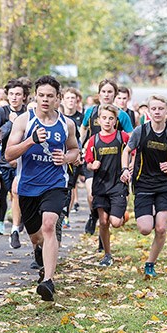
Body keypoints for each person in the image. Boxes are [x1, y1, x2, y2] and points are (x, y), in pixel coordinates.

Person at [4, 76, 79, 301]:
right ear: (35, 96)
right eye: (41, 95)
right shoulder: (24, 121)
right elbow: (8, 155)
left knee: (49, 226)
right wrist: (31, 141)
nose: (45, 100)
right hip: (28, 187)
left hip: (55, 184)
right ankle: (39, 251)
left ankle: (48, 280)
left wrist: (66, 158)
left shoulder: (67, 124)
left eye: (50, 96)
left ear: (58, 99)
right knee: (37, 236)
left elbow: (75, 150)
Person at [120, 95, 167, 279]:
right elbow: (126, 151)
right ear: (148, 112)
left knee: (161, 228)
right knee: (144, 228)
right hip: (142, 183)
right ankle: (148, 213)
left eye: (161, 109)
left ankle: (150, 263)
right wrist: (125, 169)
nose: (157, 112)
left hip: (165, 185)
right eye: (154, 109)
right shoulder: (140, 131)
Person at [80, 80, 133, 252]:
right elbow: (83, 129)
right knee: (90, 195)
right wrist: (82, 148)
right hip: (95, 160)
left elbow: (131, 140)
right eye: (104, 91)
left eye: (110, 91)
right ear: (99, 93)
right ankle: (94, 216)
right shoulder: (91, 111)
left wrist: (129, 164)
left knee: (113, 220)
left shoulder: (122, 116)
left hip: (115, 163)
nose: (107, 94)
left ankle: (110, 218)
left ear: (115, 94)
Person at [84, 104, 129, 267]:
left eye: (111, 118)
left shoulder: (123, 137)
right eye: (104, 118)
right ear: (98, 120)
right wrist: (92, 166)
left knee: (115, 222)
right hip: (100, 186)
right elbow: (87, 162)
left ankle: (123, 214)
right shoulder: (93, 140)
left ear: (116, 121)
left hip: (118, 185)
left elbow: (133, 153)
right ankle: (107, 254)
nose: (107, 121)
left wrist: (128, 169)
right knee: (103, 222)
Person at [0, 79, 29, 249]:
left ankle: (15, 230)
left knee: (17, 193)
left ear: (24, 97)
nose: (14, 98)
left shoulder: (30, 113)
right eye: (11, 94)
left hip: (25, 163)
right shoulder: (1, 112)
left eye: (18, 94)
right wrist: (11, 123)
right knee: (11, 194)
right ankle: (20, 218)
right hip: (5, 163)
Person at [60, 87, 84, 228]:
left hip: (74, 158)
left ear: (77, 100)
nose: (70, 101)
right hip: (59, 158)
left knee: (70, 186)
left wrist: (79, 153)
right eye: (67, 98)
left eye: (72, 98)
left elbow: (80, 139)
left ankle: (65, 216)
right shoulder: (58, 117)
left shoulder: (80, 118)